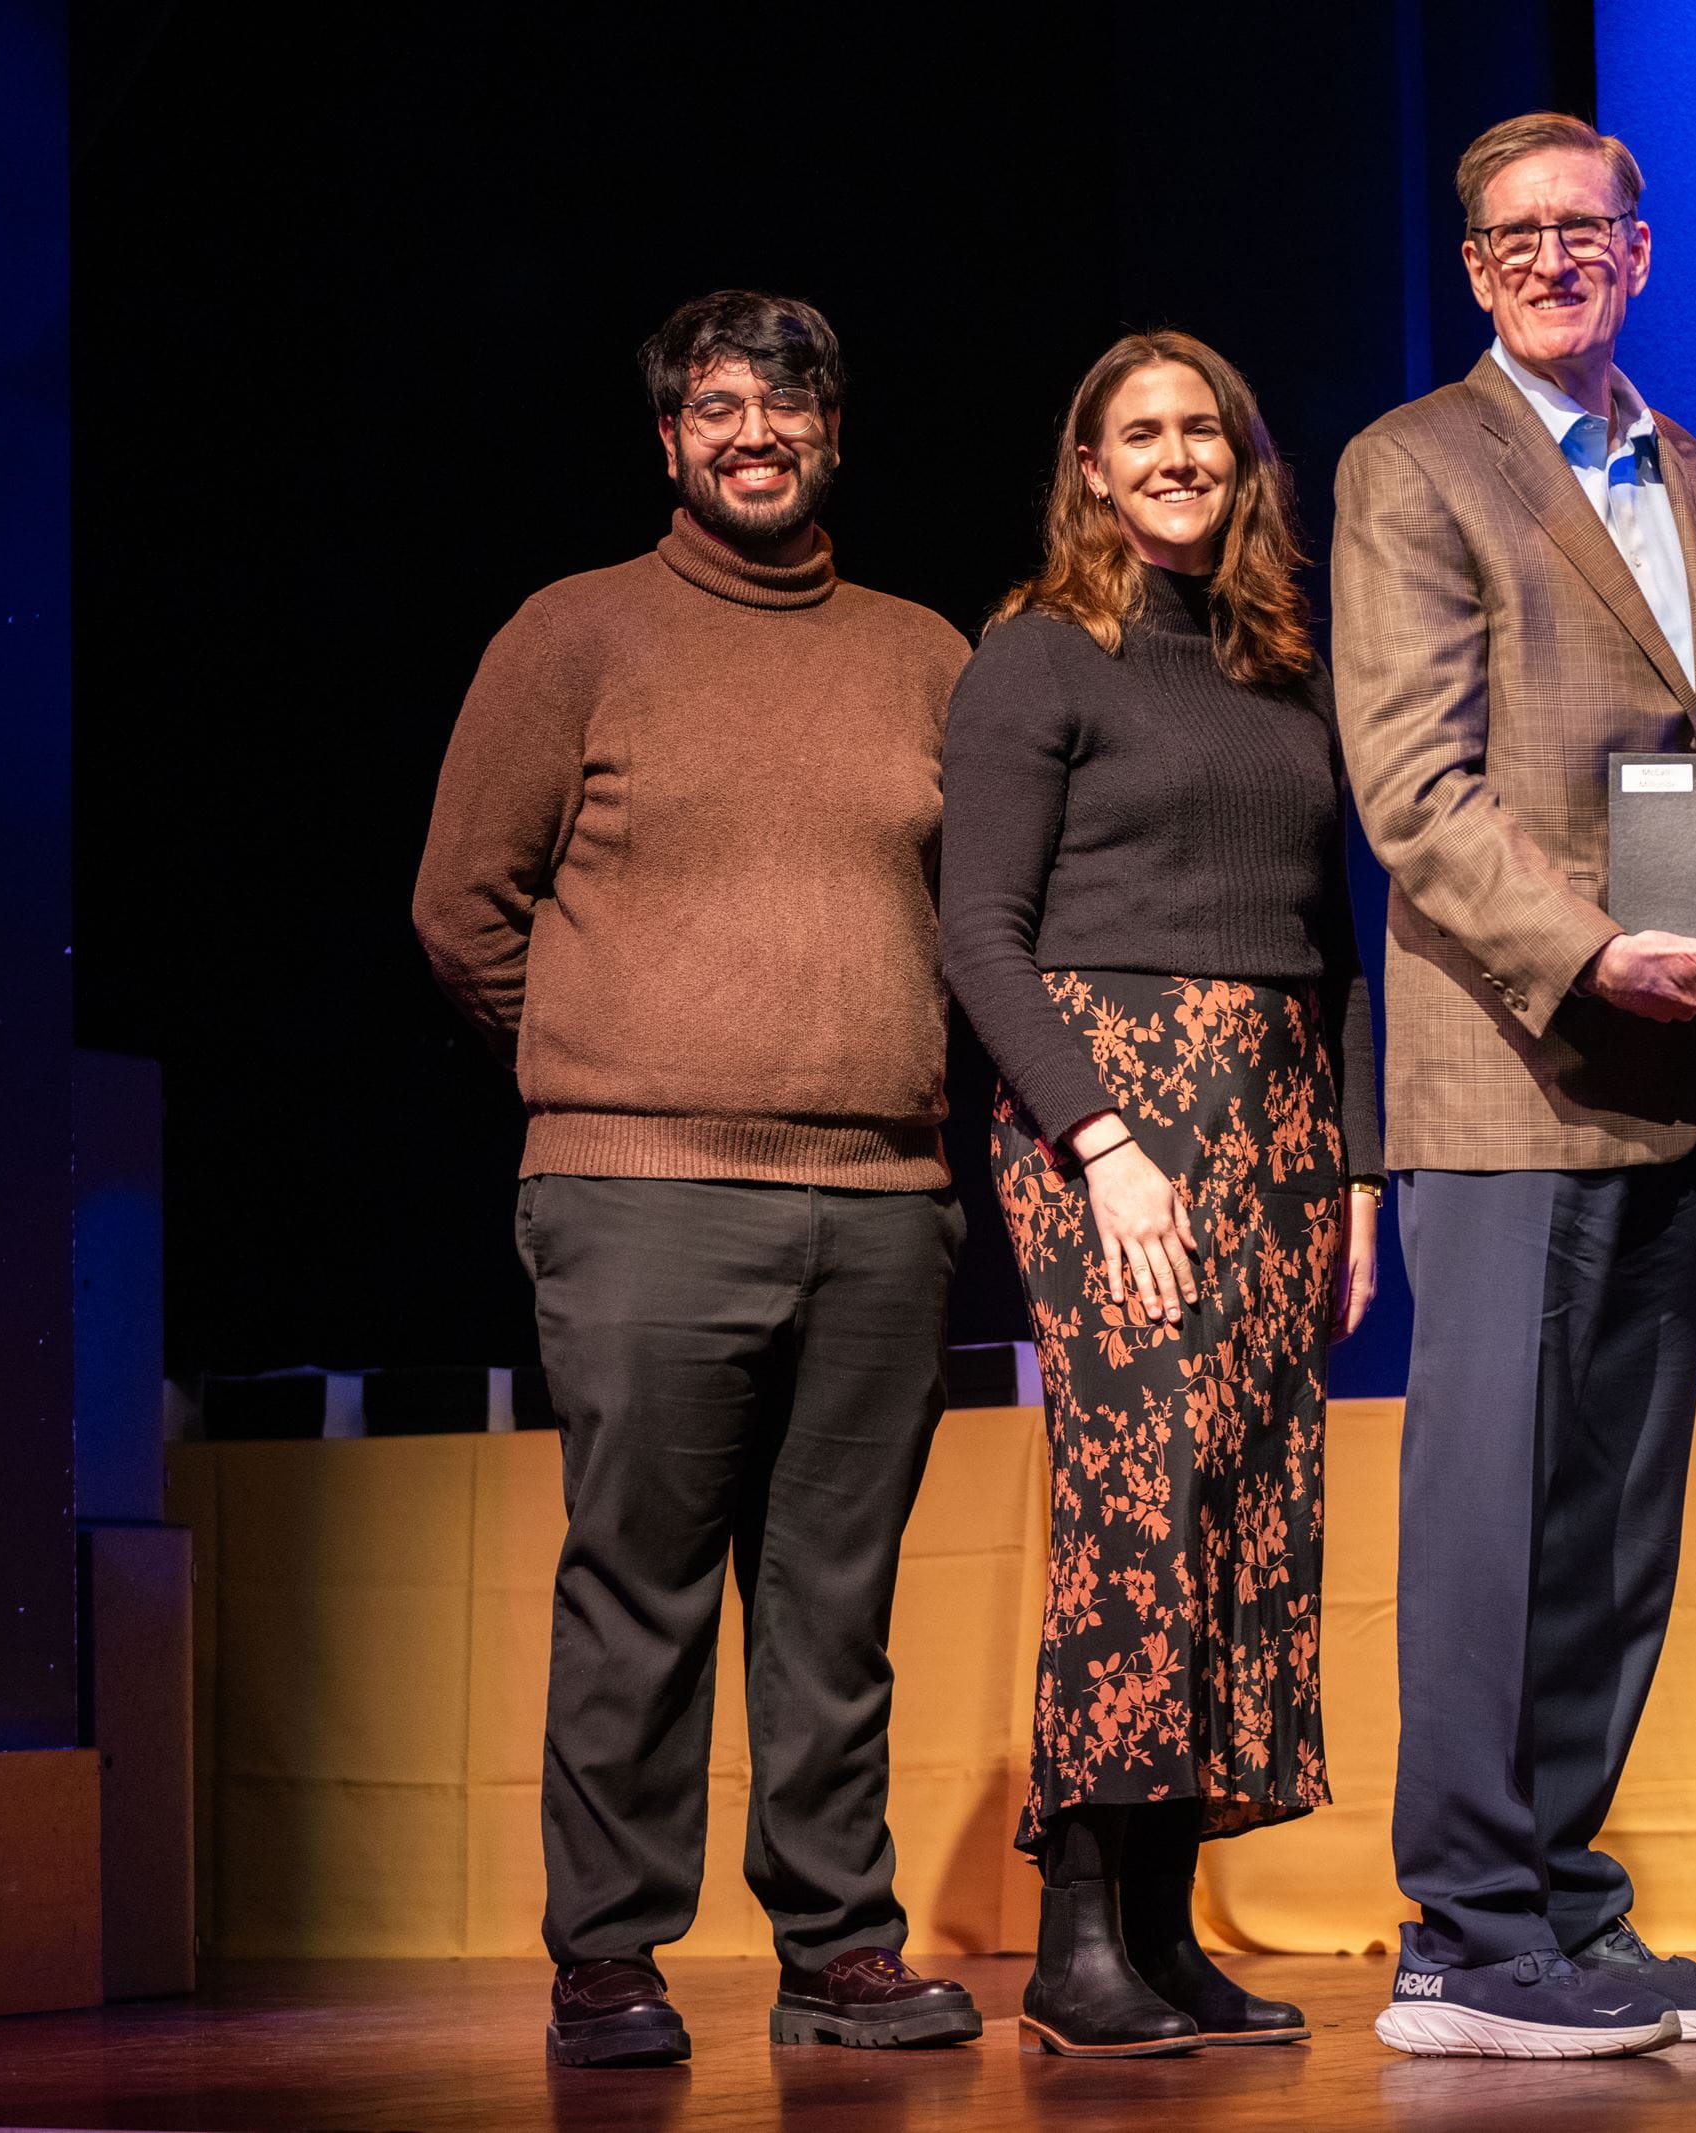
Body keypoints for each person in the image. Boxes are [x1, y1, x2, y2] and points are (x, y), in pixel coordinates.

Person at [414, 291, 983, 2067]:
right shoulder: (573, 632)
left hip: (883, 1200)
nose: (756, 433)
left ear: (834, 434)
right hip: (643, 1191)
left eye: (787, 404)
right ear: (669, 441)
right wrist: (607, 1062)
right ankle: (609, 1953)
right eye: (718, 406)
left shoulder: (924, 653)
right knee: (639, 1584)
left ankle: (839, 1945)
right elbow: (462, 907)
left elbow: (982, 920)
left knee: (837, 1599)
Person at [1333, 112, 1696, 2061]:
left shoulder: (1685, 462)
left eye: (1580, 227)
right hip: (1511, 1055)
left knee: (1615, 1512)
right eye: (1510, 235)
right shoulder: (1413, 463)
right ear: (1471, 266)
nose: (1547, 257)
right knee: (1494, 1502)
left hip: (1679, 1051)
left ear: (1640, 248)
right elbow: (1415, 786)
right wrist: (1593, 948)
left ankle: (1567, 1901)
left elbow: (1684, 746)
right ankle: (1465, 1929)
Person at [941, 331, 1383, 2058]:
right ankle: (1076, 1943)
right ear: (1092, 467)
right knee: (1140, 1497)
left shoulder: (1283, 669)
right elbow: (980, 934)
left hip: (1276, 1112)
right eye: (1142, 433)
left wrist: (1358, 1170)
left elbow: (1335, 948)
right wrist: (1100, 1138)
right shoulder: (1038, 654)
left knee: (1247, 1499)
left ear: (1245, 459)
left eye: (1204, 429)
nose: (1177, 455)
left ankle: (1161, 1927)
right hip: (1110, 1114)